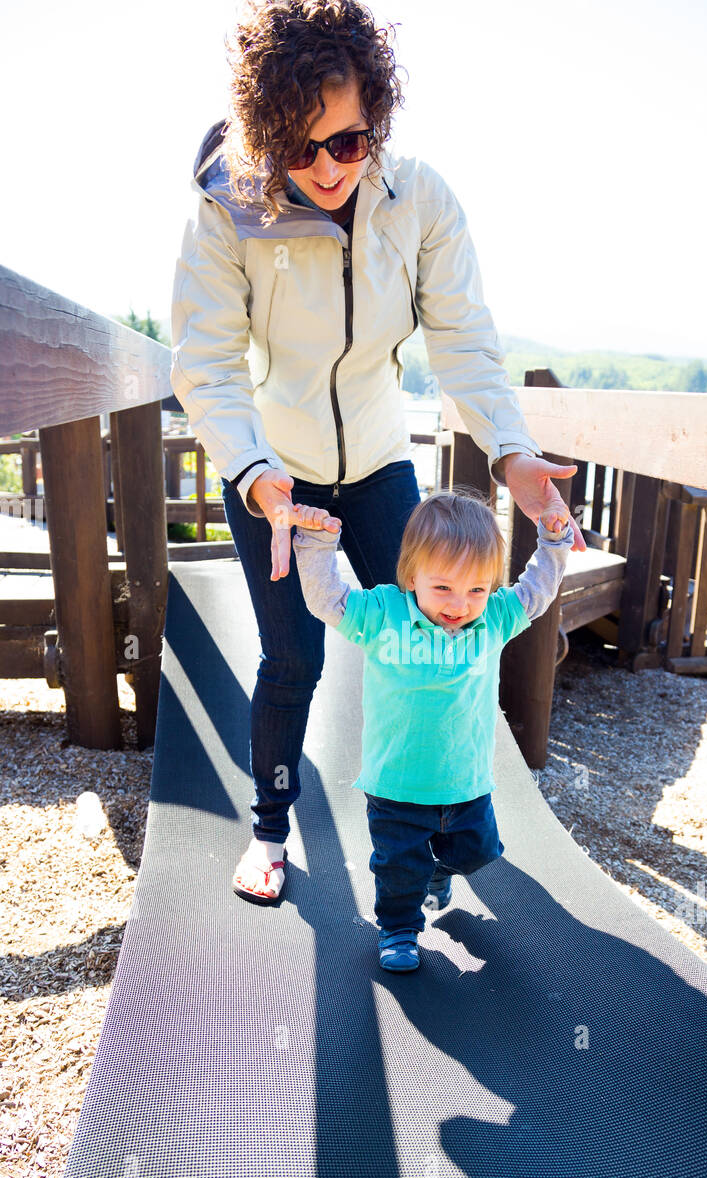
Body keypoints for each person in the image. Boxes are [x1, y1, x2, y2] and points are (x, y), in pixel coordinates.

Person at [169, 0, 584, 904]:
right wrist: (255, 476)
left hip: (383, 464)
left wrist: (512, 452)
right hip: (276, 472)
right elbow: (206, 361)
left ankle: (442, 815)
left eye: (348, 143)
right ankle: (270, 828)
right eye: (299, 147)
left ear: (378, 120)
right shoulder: (228, 208)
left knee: (443, 633)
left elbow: (464, 339)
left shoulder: (420, 201)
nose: (325, 168)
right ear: (264, 135)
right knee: (293, 659)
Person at [286, 487, 577, 969]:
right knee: (398, 869)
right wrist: (318, 545)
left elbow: (537, 592)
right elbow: (327, 600)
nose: (460, 603)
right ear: (411, 575)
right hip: (396, 786)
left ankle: (440, 868)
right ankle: (398, 931)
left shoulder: (495, 620)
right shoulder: (383, 616)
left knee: (478, 854)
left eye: (477, 589)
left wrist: (554, 541)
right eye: (443, 587)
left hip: (465, 784)